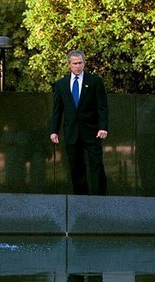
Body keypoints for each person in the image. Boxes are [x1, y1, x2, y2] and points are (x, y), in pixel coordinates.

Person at [50, 50, 108, 195]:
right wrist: (54, 130)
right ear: (69, 65)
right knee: (76, 166)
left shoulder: (95, 81)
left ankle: (100, 196)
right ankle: (80, 199)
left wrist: (103, 127)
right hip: (71, 132)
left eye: (80, 63)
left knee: (96, 165)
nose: (78, 66)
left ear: (84, 63)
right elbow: (57, 109)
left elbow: (102, 107)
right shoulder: (61, 84)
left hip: (92, 131)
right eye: (75, 63)